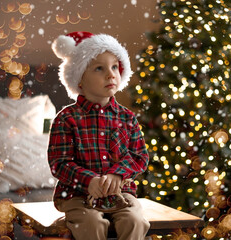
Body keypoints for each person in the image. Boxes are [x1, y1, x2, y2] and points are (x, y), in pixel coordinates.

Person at [48, 31, 150, 240]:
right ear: (80, 79)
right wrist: (89, 181)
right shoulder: (66, 119)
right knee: (92, 223)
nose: (111, 74)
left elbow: (139, 157)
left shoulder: (127, 117)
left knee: (135, 221)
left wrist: (117, 174)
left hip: (120, 194)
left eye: (114, 67)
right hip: (78, 195)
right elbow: (59, 163)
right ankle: (73, 218)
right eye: (99, 68)